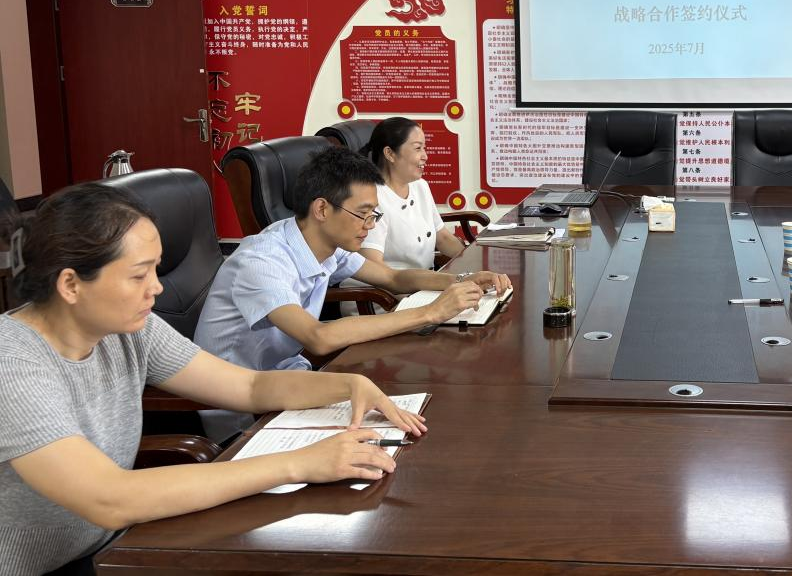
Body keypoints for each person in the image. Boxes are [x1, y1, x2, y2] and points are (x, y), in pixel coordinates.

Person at [0, 184, 424, 575]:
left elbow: (248, 387)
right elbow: (109, 497)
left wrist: (347, 386)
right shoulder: (13, 362)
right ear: (71, 285)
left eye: (156, 271)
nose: (156, 289)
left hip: (113, 547)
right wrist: (301, 462)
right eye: (138, 275)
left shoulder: (129, 329)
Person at [194, 146, 511, 440]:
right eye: (364, 214)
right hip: (238, 411)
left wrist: (460, 279)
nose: (370, 226)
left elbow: (392, 277)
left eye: (374, 214)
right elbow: (318, 337)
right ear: (322, 209)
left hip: (287, 381)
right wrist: (431, 312)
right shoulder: (262, 261)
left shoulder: (324, 243)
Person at [358, 117, 476, 271]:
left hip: (425, 279)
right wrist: (439, 282)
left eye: (424, 148)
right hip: (389, 285)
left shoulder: (420, 186)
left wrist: (475, 263)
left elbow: (443, 238)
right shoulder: (371, 197)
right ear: (390, 154)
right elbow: (374, 268)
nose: (425, 156)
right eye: (418, 148)